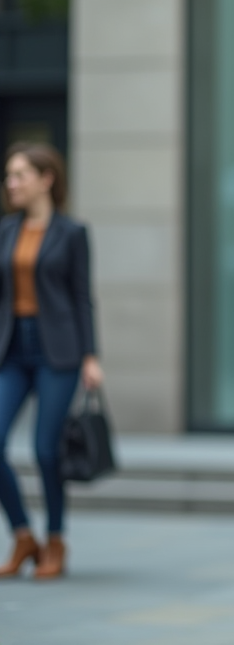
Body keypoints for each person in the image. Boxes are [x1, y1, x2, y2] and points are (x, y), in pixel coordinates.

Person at [0, 142, 103, 579]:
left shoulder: (72, 233)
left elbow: (83, 298)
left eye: (19, 175)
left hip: (57, 350)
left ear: (47, 179)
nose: (11, 184)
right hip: (13, 348)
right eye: (8, 176)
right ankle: (24, 535)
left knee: (46, 450)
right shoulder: (6, 230)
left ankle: (56, 540)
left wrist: (91, 355)